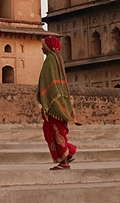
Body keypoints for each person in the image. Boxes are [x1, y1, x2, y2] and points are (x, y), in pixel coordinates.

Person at [38, 35, 78, 170]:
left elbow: (48, 82)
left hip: (53, 102)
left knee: (55, 132)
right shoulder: (58, 58)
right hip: (61, 100)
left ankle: (65, 161)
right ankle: (67, 154)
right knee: (58, 130)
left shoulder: (50, 59)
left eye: (43, 45)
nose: (42, 47)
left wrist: (46, 100)